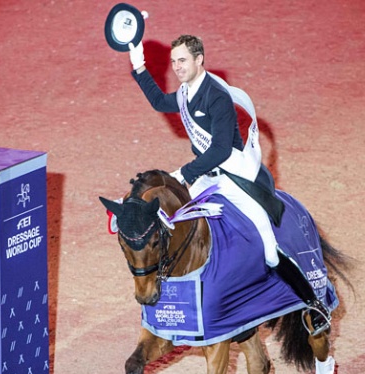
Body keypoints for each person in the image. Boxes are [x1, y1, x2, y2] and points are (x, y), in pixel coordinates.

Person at [127, 34, 331, 335]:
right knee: (173, 223)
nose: (177, 67)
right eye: (174, 62)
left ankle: (314, 305)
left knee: (269, 246)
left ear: (199, 60)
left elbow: (221, 149)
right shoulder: (185, 93)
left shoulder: (216, 95)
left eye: (182, 60)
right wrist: (139, 66)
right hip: (207, 175)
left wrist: (184, 172)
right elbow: (159, 101)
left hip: (235, 176)